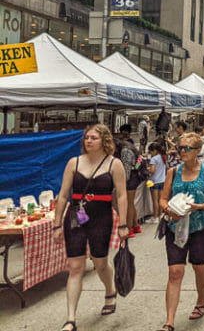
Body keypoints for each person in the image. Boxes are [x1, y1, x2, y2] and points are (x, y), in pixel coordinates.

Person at [53, 124, 129, 331]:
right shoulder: (74, 162)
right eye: (87, 137)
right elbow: (63, 195)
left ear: (104, 140)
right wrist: (57, 223)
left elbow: (122, 195)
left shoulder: (114, 164)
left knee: (100, 262)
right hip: (75, 217)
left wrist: (123, 223)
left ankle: (110, 289)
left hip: (101, 217)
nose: (88, 141)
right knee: (75, 267)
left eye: (94, 138)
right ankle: (70, 319)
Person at [157, 132, 204, 331]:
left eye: (186, 148)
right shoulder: (173, 172)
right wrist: (168, 209)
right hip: (175, 227)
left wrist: (199, 207)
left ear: (197, 151)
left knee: (199, 266)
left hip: (201, 226)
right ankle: (169, 321)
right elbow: (163, 198)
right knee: (175, 272)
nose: (181, 151)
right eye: (180, 148)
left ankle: (201, 301)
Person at [116, 127, 141, 237]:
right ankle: (136, 225)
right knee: (131, 202)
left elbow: (126, 172)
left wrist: (121, 183)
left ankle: (129, 228)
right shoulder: (131, 147)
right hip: (134, 176)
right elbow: (137, 162)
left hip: (130, 178)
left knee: (129, 204)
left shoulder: (124, 151)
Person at [147, 142, 167, 224]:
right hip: (162, 180)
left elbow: (152, 170)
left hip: (154, 181)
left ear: (155, 150)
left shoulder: (154, 159)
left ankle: (154, 217)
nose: (150, 153)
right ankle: (160, 215)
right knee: (160, 199)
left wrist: (148, 169)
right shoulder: (163, 157)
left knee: (155, 200)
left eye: (151, 151)